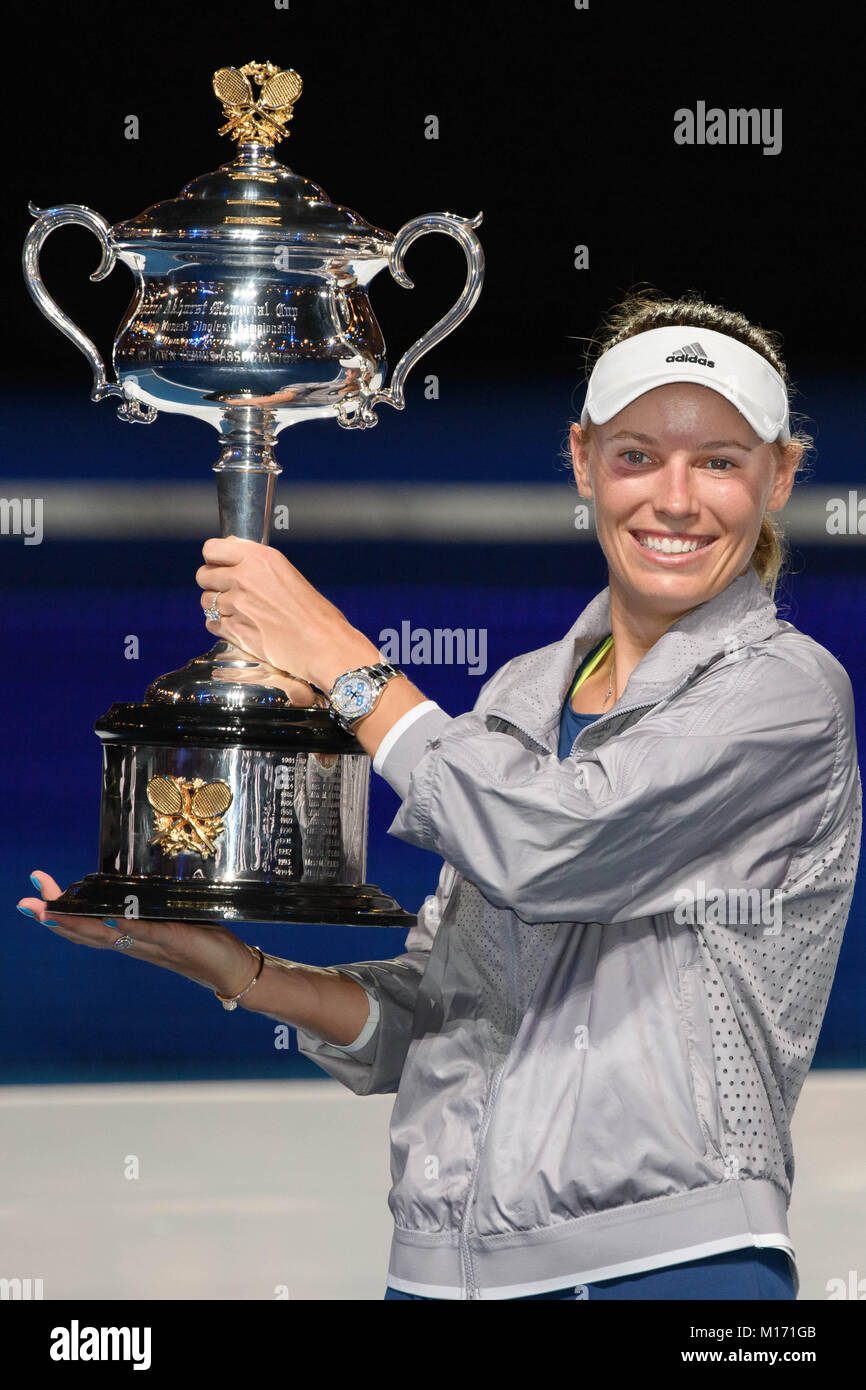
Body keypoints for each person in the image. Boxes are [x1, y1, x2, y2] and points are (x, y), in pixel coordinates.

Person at [19, 289, 861, 1301]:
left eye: (718, 461)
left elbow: (546, 848)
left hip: (673, 1270)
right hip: (435, 1277)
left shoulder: (783, 690)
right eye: (637, 455)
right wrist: (231, 964)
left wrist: (338, 658)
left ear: (778, 477)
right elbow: (436, 1018)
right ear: (583, 461)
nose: (673, 499)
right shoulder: (517, 693)